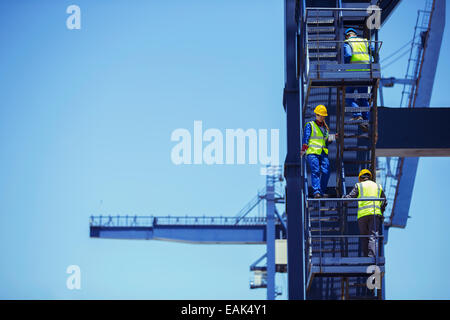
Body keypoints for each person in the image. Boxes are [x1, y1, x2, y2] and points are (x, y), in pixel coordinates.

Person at [343, 169, 387, 257]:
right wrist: (381, 212)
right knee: (373, 236)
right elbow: (384, 202)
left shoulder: (359, 186)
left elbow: (349, 198)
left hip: (362, 216)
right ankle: (372, 257)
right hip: (375, 215)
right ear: (370, 177)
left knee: (364, 237)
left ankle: (366, 256)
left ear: (360, 178)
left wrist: (343, 199)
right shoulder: (378, 186)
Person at [301, 105, 337, 198]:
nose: (322, 117)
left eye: (323, 116)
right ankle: (316, 191)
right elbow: (306, 139)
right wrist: (303, 150)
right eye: (320, 115)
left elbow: (325, 140)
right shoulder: (310, 125)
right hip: (312, 152)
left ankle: (321, 191)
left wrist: (334, 137)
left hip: (322, 153)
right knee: (316, 171)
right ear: (316, 115)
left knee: (326, 171)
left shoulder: (325, 128)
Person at [343, 28, 375, 131]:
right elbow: (373, 50)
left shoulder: (347, 43)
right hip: (365, 74)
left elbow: (348, 55)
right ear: (355, 34)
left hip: (352, 74)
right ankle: (365, 121)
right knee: (363, 98)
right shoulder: (365, 41)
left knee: (348, 98)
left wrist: (346, 68)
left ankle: (357, 115)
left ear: (347, 35)